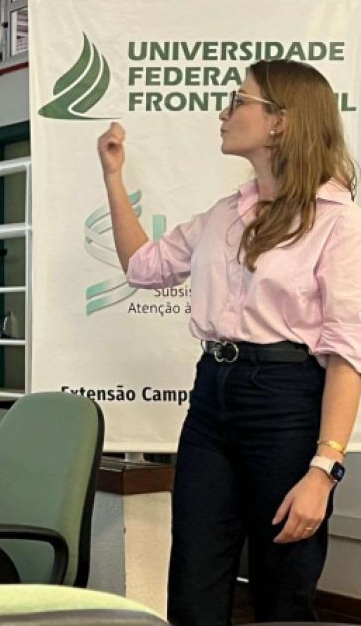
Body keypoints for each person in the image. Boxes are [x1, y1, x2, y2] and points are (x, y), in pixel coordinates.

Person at [97, 59, 361, 625]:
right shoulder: (225, 214)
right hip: (213, 397)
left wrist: (324, 469)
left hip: (287, 401)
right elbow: (143, 267)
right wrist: (113, 176)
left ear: (280, 121)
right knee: (194, 579)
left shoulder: (338, 222)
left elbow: (348, 355)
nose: (224, 112)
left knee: (283, 586)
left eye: (239, 101)